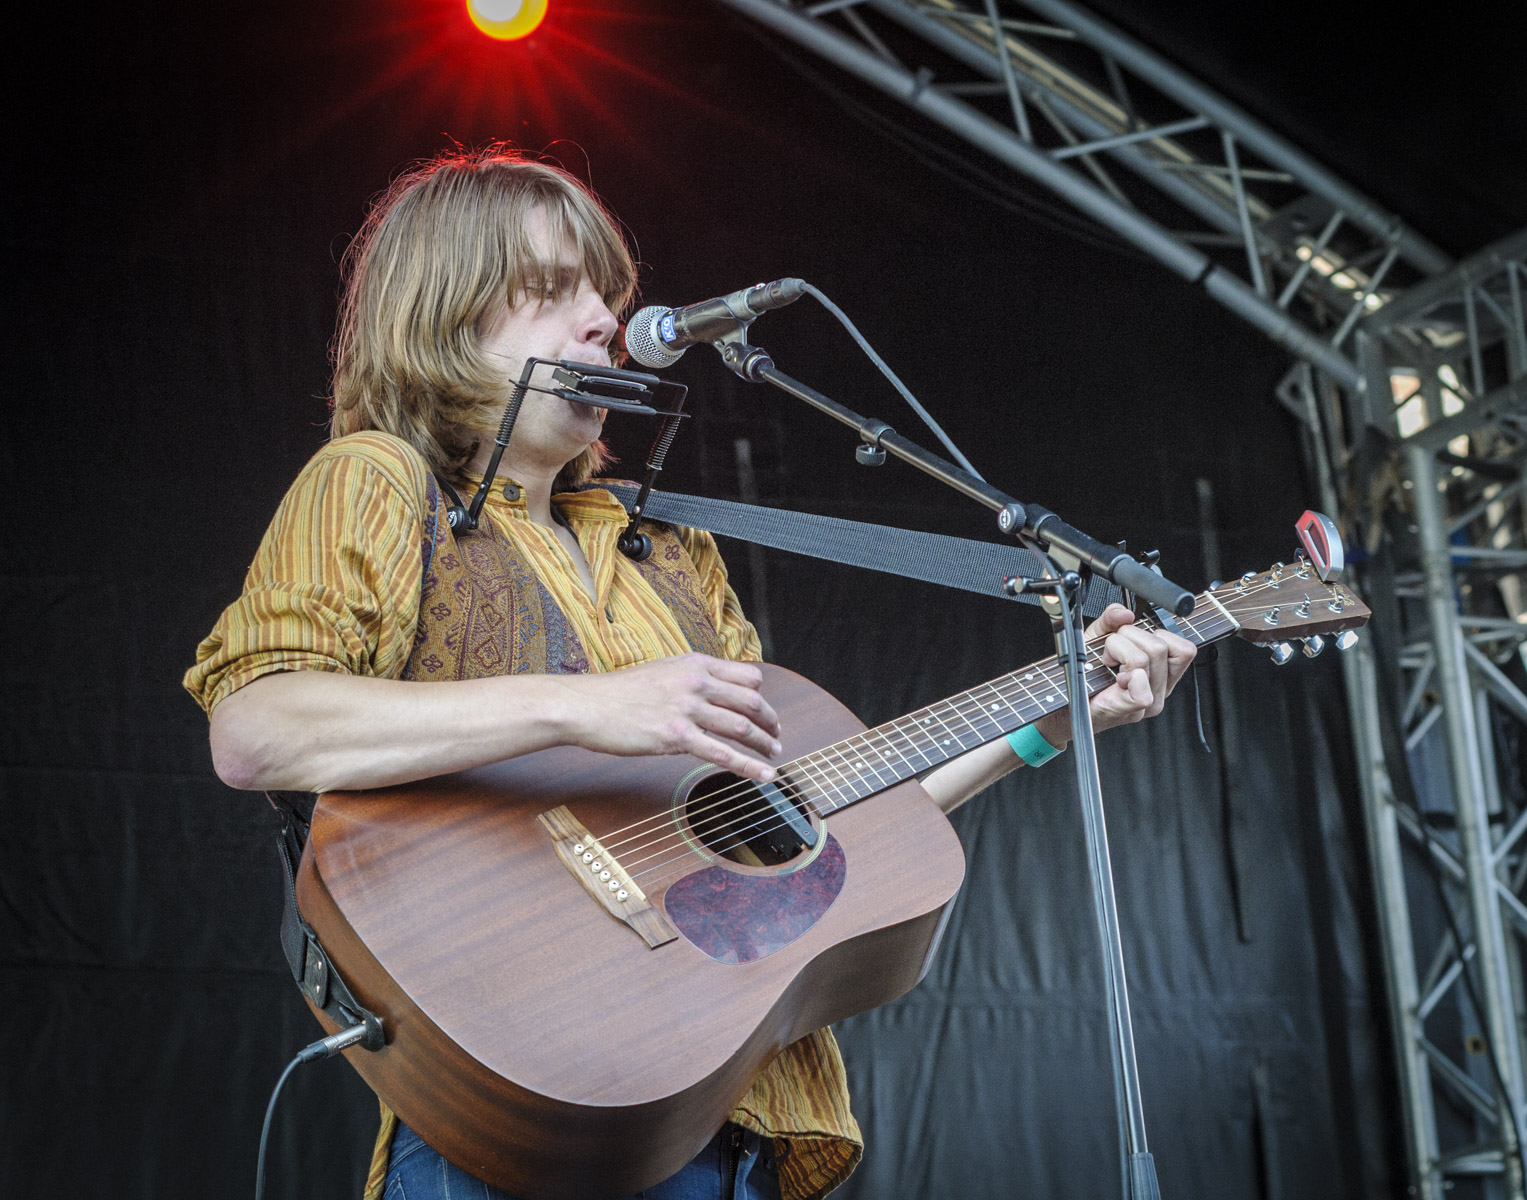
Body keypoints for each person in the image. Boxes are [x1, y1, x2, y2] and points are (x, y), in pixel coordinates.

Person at [184, 145, 1195, 1200]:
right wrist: (590, 708)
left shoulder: (666, 548)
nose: (604, 323)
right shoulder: (381, 482)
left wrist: (1055, 716)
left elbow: (801, 822)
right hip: (526, 1118)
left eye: (605, 294)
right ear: (444, 314)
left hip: (716, 1113)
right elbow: (256, 729)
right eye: (551, 290)